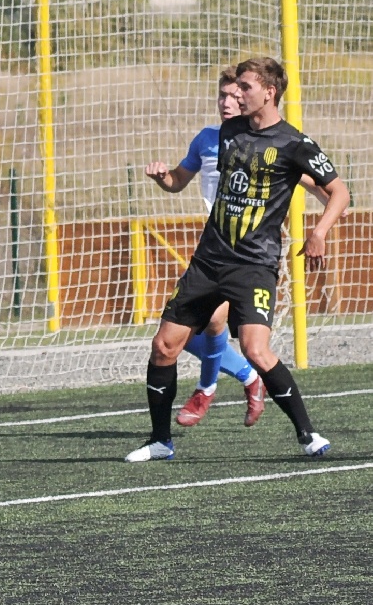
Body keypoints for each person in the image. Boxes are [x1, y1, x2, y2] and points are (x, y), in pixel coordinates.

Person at [127, 57, 349, 462]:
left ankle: (308, 434)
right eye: (233, 90)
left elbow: (339, 192)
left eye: (245, 88)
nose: (236, 96)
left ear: (269, 92)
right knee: (163, 346)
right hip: (208, 260)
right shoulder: (228, 132)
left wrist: (318, 232)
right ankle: (160, 440)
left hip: (254, 264)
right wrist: (164, 178)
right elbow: (181, 180)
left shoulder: (295, 144)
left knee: (255, 350)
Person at [145, 67, 266, 427]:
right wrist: (164, 177)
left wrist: (325, 211)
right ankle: (248, 376)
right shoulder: (207, 139)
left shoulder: (267, 139)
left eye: (235, 96)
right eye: (222, 95)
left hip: (251, 249)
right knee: (179, 334)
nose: (227, 102)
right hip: (215, 246)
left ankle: (206, 388)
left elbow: (303, 175)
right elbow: (179, 180)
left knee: (215, 322)